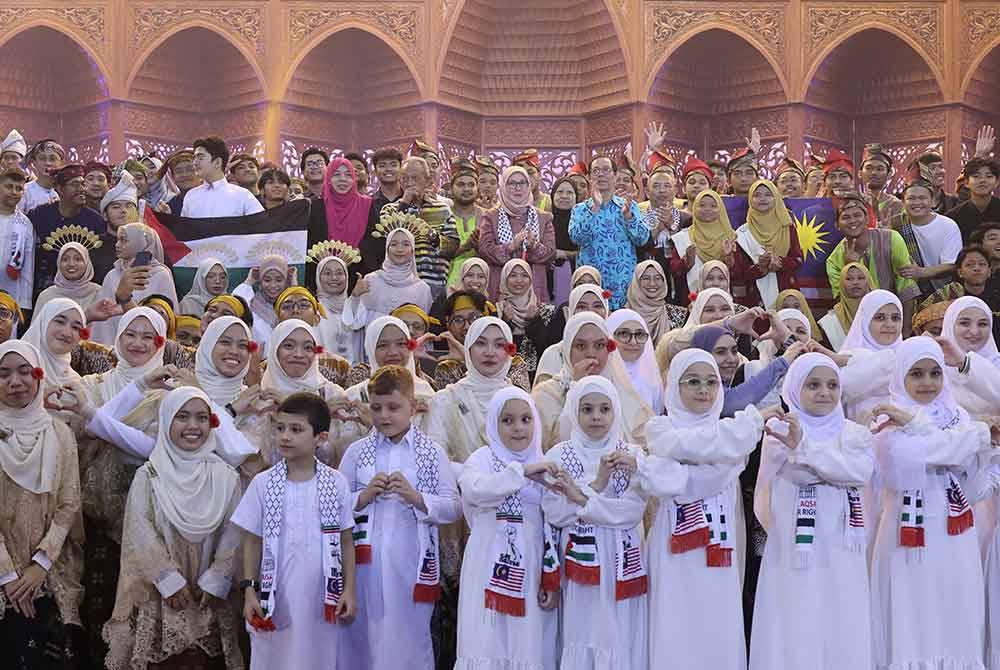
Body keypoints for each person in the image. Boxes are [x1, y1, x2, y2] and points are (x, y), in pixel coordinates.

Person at [870, 338, 994, 670]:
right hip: (909, 535)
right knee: (914, 610)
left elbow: (973, 480)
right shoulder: (886, 418)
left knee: (956, 605)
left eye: (935, 373)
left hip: (955, 534)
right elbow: (910, 460)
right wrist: (975, 437)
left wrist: (971, 446)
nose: (927, 383)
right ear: (900, 377)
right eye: (917, 374)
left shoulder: (958, 415)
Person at [642, 348, 769, 669]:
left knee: (718, 615)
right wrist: (741, 433)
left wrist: (727, 448)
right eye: (693, 382)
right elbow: (676, 469)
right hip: (674, 547)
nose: (703, 390)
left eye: (712, 382)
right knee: (676, 618)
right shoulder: (660, 428)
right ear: (674, 386)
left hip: (721, 543)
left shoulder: (728, 432)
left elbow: (694, 467)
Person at [102, 386, 244, 670]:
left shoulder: (226, 476)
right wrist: (168, 581)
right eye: (182, 417)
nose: (193, 426)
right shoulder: (150, 475)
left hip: (209, 597)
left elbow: (235, 534)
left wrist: (216, 580)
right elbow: (139, 532)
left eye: (202, 418)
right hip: (160, 594)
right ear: (167, 421)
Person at [749, 353, 876, 670]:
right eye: (814, 385)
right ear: (793, 389)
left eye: (833, 385)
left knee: (840, 608)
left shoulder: (854, 432)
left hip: (842, 544)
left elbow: (858, 471)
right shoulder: (780, 430)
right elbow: (765, 487)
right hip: (794, 544)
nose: (825, 392)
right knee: (797, 611)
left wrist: (805, 451)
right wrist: (779, 533)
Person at [338, 365, 461, 670]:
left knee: (409, 638)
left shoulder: (431, 453)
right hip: (363, 566)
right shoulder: (356, 453)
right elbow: (333, 508)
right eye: (376, 407)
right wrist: (362, 498)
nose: (384, 416)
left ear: (413, 407)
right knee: (362, 637)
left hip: (411, 564)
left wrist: (416, 497)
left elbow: (453, 507)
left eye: (393, 407)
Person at [232, 393, 356, 670]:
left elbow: (346, 540)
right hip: (276, 595)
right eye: (280, 428)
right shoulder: (263, 483)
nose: (285, 436)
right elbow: (251, 540)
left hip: (321, 595)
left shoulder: (336, 483)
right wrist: (249, 590)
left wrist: (349, 589)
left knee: (319, 658)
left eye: (296, 429)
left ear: (321, 438)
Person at [541, 375, 648, 670]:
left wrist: (580, 498)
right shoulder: (559, 456)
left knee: (621, 632)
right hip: (580, 564)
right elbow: (555, 513)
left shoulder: (632, 456)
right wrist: (598, 485)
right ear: (574, 411)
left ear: (616, 412)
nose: (596, 417)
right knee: (582, 631)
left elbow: (631, 513)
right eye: (587, 409)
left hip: (622, 559)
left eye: (605, 409)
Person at [455, 387, 559, 670]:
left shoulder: (546, 462)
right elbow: (475, 491)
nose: (518, 428)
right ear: (493, 423)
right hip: (487, 565)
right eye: (508, 420)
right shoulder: (483, 459)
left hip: (531, 564)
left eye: (526, 419)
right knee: (485, 638)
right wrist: (521, 472)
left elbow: (553, 524)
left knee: (527, 639)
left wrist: (550, 579)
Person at [0, 340, 84, 669]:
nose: (15, 382)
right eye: (3, 374)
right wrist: (8, 576)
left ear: (39, 376)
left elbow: (69, 503)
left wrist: (40, 565)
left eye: (24, 372)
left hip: (49, 569)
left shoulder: (59, 434)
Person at [532, 312, 651, 452]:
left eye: (599, 345)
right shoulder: (546, 395)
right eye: (581, 346)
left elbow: (647, 446)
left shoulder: (621, 389)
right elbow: (548, 449)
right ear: (567, 349)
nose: (591, 353)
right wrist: (576, 388)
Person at [825, 192, 920, 333]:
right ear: (837, 225)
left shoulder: (891, 239)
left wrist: (904, 332)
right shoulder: (833, 260)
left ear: (867, 218)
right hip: (858, 326)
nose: (852, 221)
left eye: (857, 215)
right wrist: (852, 267)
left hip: (895, 319)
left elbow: (907, 290)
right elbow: (847, 304)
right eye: (846, 217)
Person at [569, 155, 648, 308]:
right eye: (596, 171)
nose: (601, 174)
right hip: (590, 285)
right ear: (588, 177)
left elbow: (642, 239)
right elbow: (577, 238)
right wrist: (594, 210)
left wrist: (628, 217)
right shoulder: (580, 209)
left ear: (615, 175)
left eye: (606, 170)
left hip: (622, 285)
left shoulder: (629, 207)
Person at [378, 157, 459, 299]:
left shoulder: (443, 209)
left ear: (428, 181)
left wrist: (432, 234)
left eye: (414, 178)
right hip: (398, 285)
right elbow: (385, 241)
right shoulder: (389, 210)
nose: (409, 183)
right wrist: (404, 204)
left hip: (434, 285)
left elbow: (453, 248)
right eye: (404, 178)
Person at [91, 222, 178, 346]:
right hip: (112, 343)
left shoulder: (160, 275)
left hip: (146, 345)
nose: (117, 245)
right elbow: (103, 324)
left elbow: (167, 318)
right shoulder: (112, 275)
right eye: (118, 240)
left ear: (140, 243)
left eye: (124, 240)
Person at [477, 165, 556, 301]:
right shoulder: (490, 217)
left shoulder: (543, 217)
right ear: (503, 186)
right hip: (499, 287)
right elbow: (485, 251)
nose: (517, 188)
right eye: (512, 183)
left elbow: (550, 253)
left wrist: (534, 246)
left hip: (534, 287)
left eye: (522, 183)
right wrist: (510, 247)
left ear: (528, 186)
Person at [29, 163, 105, 299]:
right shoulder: (39, 216)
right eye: (75, 184)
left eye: (83, 184)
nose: (82, 189)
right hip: (45, 289)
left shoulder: (96, 221)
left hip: (83, 291)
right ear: (59, 189)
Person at [889, 172, 963, 299]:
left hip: (940, 290)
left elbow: (952, 264)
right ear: (903, 201)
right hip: (905, 290)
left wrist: (921, 272)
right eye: (911, 198)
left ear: (932, 201)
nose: (917, 202)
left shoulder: (948, 225)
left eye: (922, 198)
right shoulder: (895, 224)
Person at [732, 180, 804, 308]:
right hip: (756, 296)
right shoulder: (742, 233)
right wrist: (761, 267)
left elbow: (798, 259)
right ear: (750, 200)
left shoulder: (787, 228)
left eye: (768, 194)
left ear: (776, 197)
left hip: (786, 291)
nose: (762, 199)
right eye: (757, 195)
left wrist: (780, 263)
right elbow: (741, 272)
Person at [346, 224, 433, 328]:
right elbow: (354, 323)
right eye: (394, 244)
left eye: (406, 244)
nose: (399, 249)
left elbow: (421, 329)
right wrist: (355, 296)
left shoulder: (422, 289)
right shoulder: (371, 280)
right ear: (387, 249)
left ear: (413, 250)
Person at [495, 259, 556, 380]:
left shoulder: (545, 311)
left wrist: (535, 321)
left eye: (524, 275)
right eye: (513, 275)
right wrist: (506, 322)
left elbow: (547, 349)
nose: (519, 280)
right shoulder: (496, 311)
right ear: (504, 279)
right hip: (502, 378)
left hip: (537, 378)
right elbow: (495, 348)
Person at [671, 189, 736, 298]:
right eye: (701, 205)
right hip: (691, 301)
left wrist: (728, 257)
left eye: (713, 206)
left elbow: (741, 275)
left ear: (721, 209)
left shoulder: (731, 237)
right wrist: (686, 262)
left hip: (725, 301)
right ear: (694, 208)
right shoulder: (683, 237)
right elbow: (674, 272)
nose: (707, 209)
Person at [181, 136, 264, 217]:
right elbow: (184, 229)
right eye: (194, 158)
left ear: (217, 162)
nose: (194, 163)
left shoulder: (243, 196)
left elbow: (263, 226)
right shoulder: (191, 196)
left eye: (200, 158)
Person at [307, 157, 373, 257]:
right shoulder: (315, 206)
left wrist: (357, 252)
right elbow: (308, 240)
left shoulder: (367, 205)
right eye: (337, 174)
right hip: (322, 267)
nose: (343, 179)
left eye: (348, 175)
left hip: (359, 268)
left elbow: (375, 240)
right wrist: (319, 252)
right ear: (328, 179)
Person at [234, 255, 295, 350]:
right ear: (260, 280)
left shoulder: (292, 307)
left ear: (286, 280)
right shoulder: (252, 305)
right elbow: (235, 303)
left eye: (279, 280)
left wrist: (294, 285)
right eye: (267, 280)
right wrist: (249, 281)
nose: (273, 285)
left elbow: (301, 320)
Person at [607, 309, 662, 415]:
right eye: (624, 334)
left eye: (639, 334)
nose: (633, 342)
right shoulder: (602, 376)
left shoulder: (652, 380)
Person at [315, 252, 364, 363]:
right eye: (327, 273)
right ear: (318, 277)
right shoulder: (314, 311)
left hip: (356, 375)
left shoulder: (357, 307)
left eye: (339, 273)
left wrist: (356, 299)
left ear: (346, 277)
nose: (334, 278)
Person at [625, 259, 688, 346]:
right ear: (636, 282)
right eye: (646, 278)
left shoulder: (677, 314)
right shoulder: (624, 315)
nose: (652, 284)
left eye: (658, 278)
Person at [817, 261, 875, 351]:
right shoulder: (829, 322)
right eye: (849, 279)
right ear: (841, 284)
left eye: (861, 278)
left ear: (869, 282)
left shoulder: (881, 314)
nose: (855, 282)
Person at [34, 240, 102, 314]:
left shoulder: (99, 293)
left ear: (87, 263)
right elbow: (38, 325)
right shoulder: (46, 296)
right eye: (65, 259)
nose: (71, 264)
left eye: (78, 259)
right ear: (58, 263)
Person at [0, 167, 34, 311]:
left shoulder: (25, 224)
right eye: (8, 186)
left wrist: (24, 303)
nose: (13, 192)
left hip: (11, 292)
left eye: (19, 188)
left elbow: (28, 266)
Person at [445, 159, 482, 288]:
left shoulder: (487, 217)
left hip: (479, 286)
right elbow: (437, 254)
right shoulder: (443, 215)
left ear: (477, 187)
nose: (466, 189)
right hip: (447, 286)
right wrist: (465, 247)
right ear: (451, 187)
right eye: (461, 184)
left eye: (471, 184)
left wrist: (480, 247)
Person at [946, 157, 1000, 244]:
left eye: (989, 176)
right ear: (966, 182)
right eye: (976, 176)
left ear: (997, 182)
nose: (983, 180)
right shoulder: (953, 218)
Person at [550, 176, 580, 305]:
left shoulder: (582, 222)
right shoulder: (545, 221)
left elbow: (589, 251)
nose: (564, 196)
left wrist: (564, 254)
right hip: (548, 279)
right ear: (552, 195)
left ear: (576, 197)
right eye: (560, 192)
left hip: (576, 275)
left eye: (569, 193)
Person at [859, 143, 903, 227]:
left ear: (889, 174)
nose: (874, 173)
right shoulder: (853, 201)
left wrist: (876, 212)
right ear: (860, 173)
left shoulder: (896, 205)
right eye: (868, 168)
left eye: (880, 169)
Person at [20, 139, 64, 213]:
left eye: (53, 159)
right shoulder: (24, 191)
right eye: (42, 159)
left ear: (61, 162)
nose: (48, 163)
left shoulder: (66, 191)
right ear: (34, 163)